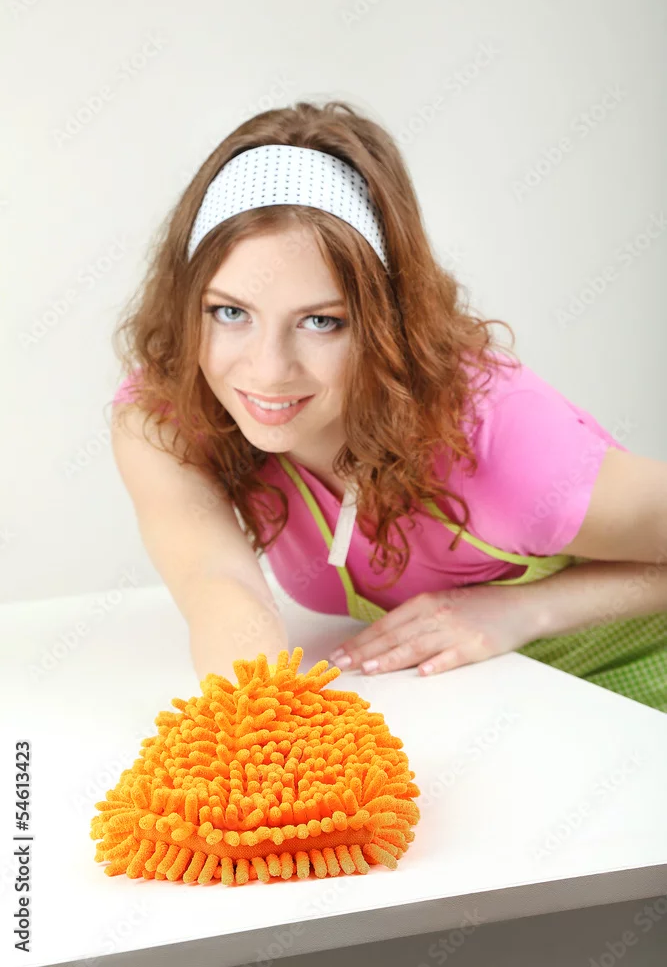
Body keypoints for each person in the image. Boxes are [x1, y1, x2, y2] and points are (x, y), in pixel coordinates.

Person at [109, 100, 667, 711]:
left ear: (389, 323)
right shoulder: (165, 417)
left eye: (322, 321)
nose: (267, 370)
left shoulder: (496, 440)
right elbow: (217, 585)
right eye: (229, 312)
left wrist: (525, 610)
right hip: (532, 715)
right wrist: (255, 727)